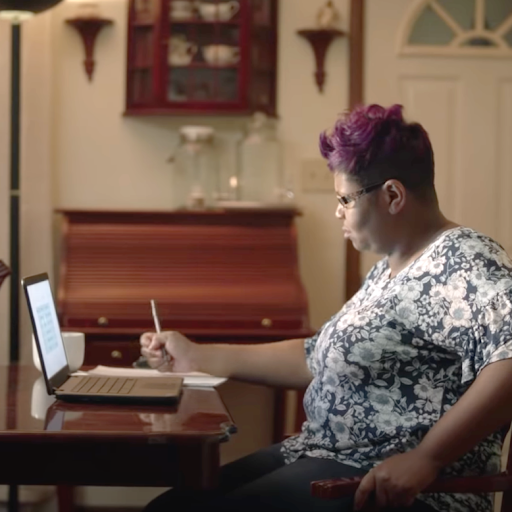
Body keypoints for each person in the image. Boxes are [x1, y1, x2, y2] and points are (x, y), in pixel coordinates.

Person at [140, 104, 512, 512]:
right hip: (323, 456)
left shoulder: (465, 261)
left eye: (345, 199)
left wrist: (426, 459)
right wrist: (195, 355)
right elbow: (316, 357)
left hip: (399, 487)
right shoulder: (389, 268)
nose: (337, 211)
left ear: (392, 195)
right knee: (169, 505)